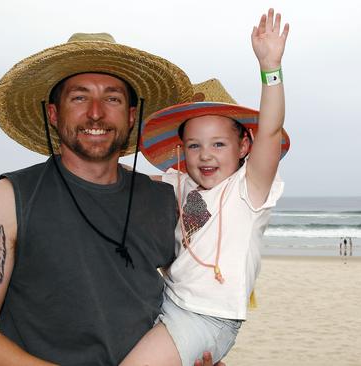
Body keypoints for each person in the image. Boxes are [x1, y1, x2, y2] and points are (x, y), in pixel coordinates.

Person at [0, 32, 221, 365]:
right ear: (53, 113)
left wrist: (196, 351)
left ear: (132, 115)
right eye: (79, 98)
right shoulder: (7, 200)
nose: (95, 113)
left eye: (113, 99)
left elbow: (204, 292)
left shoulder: (166, 199)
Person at [121, 9, 290, 366]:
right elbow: (119, 177)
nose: (205, 156)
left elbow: (271, 131)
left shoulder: (248, 190)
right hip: (167, 299)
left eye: (219, 144)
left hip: (207, 317)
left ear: (244, 146)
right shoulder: (180, 183)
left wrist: (270, 67)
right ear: (182, 151)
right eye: (195, 146)